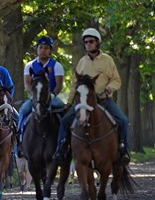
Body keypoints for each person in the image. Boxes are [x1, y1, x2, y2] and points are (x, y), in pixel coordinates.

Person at [53, 28, 131, 165]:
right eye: (86, 42)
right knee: (65, 121)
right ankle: (61, 149)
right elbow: (74, 85)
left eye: (91, 41)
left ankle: (124, 150)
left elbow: (116, 80)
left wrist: (109, 88)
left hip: (103, 100)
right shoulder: (82, 62)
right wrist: (69, 102)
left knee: (123, 120)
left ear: (97, 43)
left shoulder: (108, 60)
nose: (88, 44)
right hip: (83, 102)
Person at [17, 35, 65, 146]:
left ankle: (64, 139)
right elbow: (27, 85)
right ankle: (19, 136)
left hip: (51, 97)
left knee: (63, 110)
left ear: (50, 50)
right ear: (37, 49)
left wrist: (52, 95)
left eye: (46, 48)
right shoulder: (30, 65)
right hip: (35, 97)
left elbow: (59, 85)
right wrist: (34, 96)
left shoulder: (57, 66)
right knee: (24, 110)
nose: (43, 50)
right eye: (41, 47)